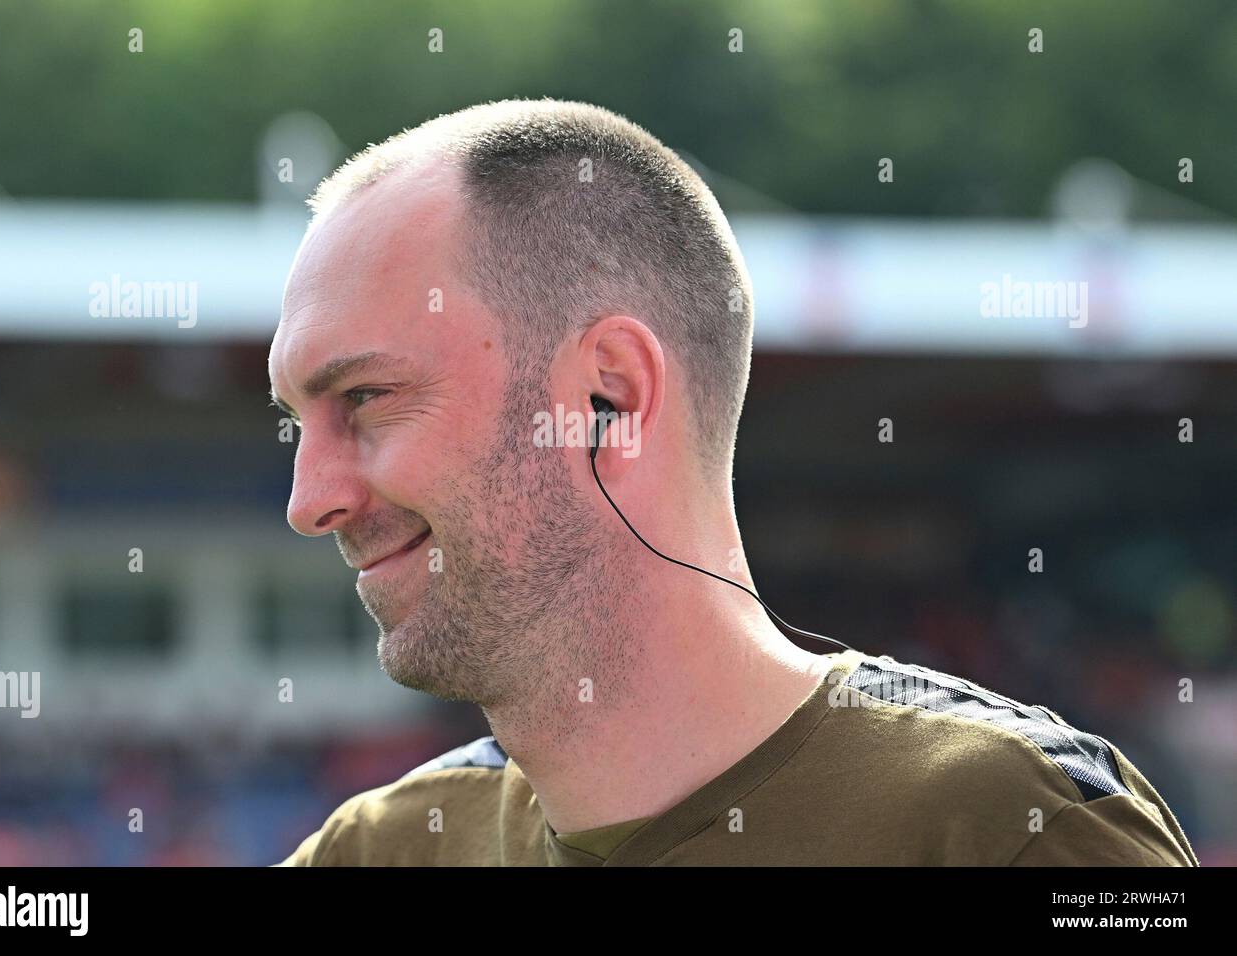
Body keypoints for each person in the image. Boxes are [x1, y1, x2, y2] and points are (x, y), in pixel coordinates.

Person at [268, 98, 1197, 866]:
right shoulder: (374, 853)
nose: (311, 501)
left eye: (368, 397)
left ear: (609, 398)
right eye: (294, 426)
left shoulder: (1020, 834)